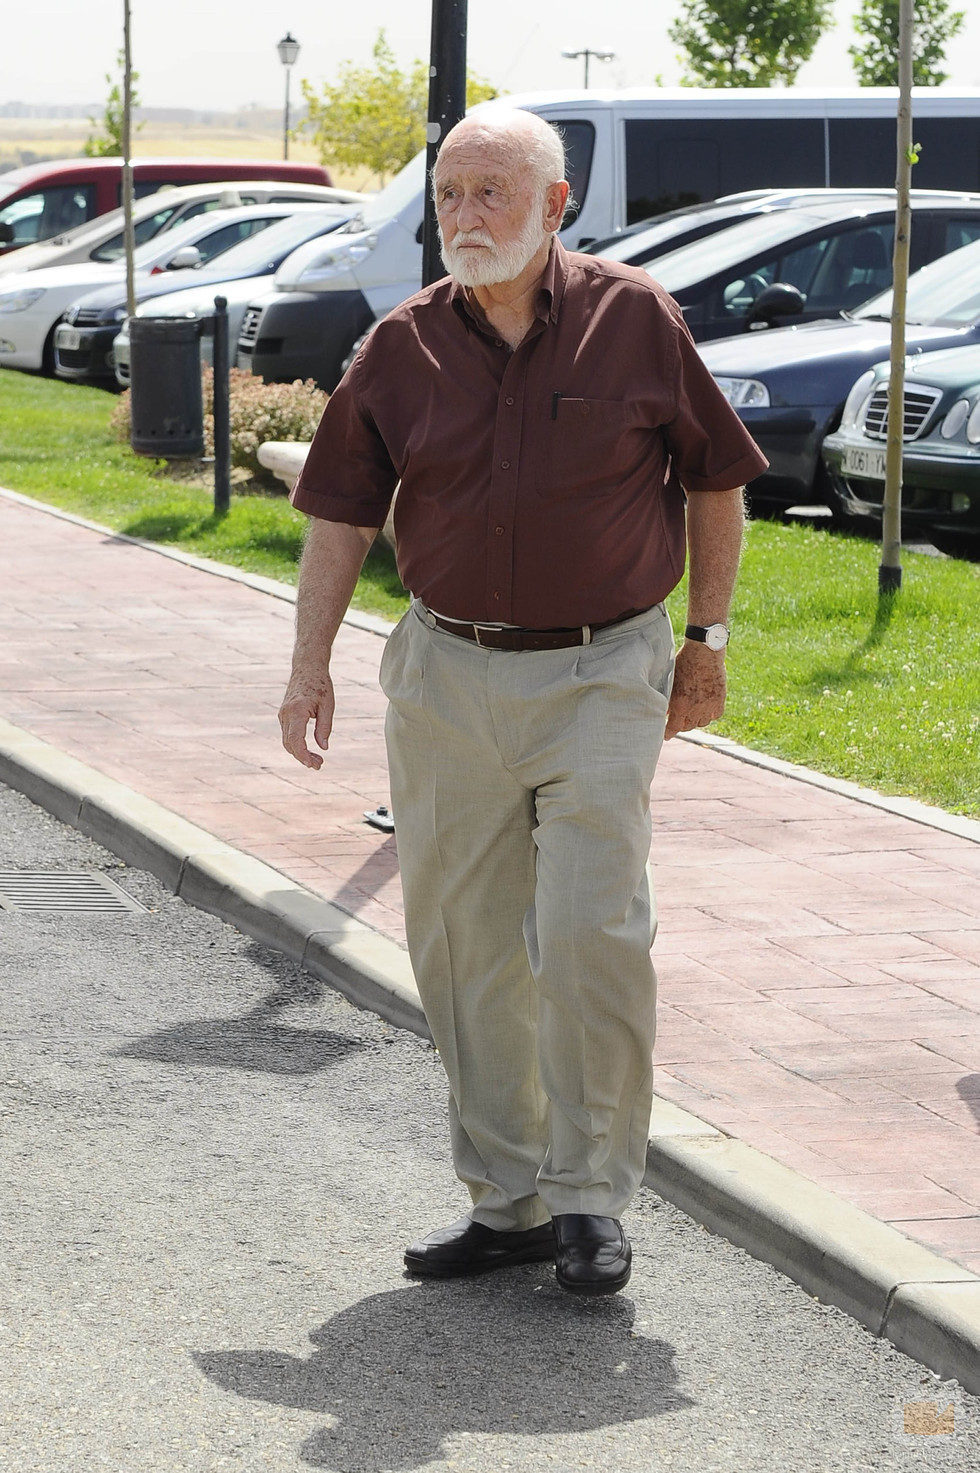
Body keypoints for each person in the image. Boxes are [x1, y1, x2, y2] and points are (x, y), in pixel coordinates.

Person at [279, 108, 767, 1296]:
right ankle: (511, 1202)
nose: (463, 216)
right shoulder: (401, 346)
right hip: (446, 673)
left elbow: (715, 482)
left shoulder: (633, 319)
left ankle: (593, 1197)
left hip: (603, 667)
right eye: (449, 193)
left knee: (593, 930)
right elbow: (340, 512)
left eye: (492, 192)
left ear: (556, 206)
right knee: (462, 948)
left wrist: (703, 640)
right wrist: (309, 665)